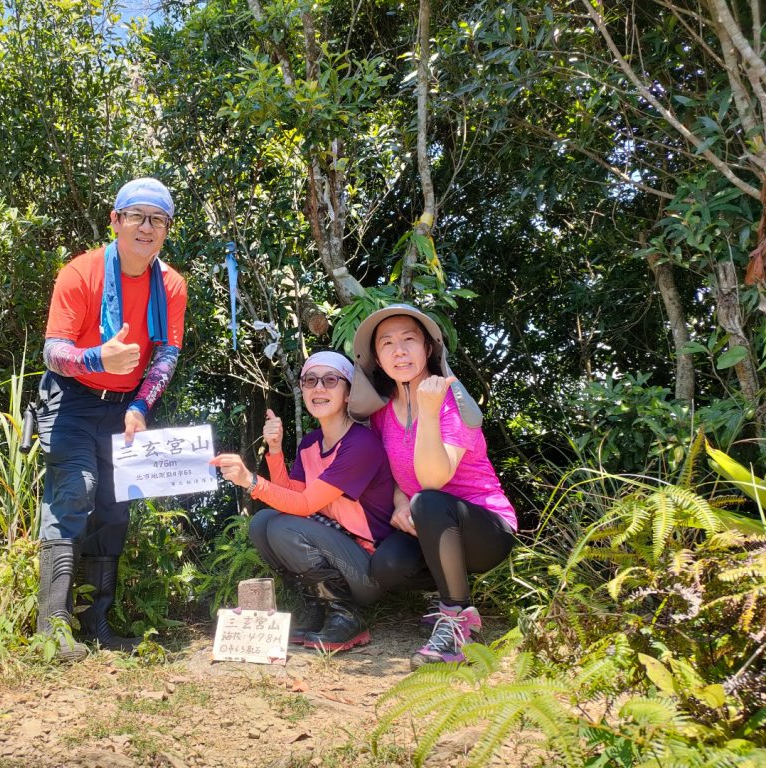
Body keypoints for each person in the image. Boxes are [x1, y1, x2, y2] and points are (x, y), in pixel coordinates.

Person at [36, 177, 187, 658]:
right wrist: (97, 358)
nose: (147, 227)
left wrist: (141, 406)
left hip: (123, 407)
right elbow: (53, 351)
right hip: (72, 398)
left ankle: (97, 624)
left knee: (115, 507)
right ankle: (52, 628)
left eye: (158, 219)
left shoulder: (171, 285)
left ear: (167, 229)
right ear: (116, 221)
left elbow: (166, 354)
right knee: (75, 490)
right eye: (137, 216)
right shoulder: (80, 274)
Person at [348, 304, 517, 666]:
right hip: (429, 526)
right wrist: (399, 504)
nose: (399, 351)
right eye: (387, 343)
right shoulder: (382, 413)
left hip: (485, 529)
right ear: (377, 357)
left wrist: (428, 410)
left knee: (428, 500)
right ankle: (447, 591)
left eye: (409, 340)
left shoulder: (452, 404)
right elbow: (397, 475)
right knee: (386, 567)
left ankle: (457, 622)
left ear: (428, 348)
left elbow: (431, 480)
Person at [211, 351, 394, 652]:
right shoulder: (311, 443)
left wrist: (251, 481)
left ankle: (345, 614)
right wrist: (275, 450)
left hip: (366, 570)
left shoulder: (360, 444)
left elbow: (304, 505)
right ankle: (318, 606)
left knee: (282, 527)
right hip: (336, 549)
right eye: (310, 380)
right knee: (262, 522)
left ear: (349, 394)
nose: (318, 387)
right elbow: (290, 498)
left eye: (330, 380)